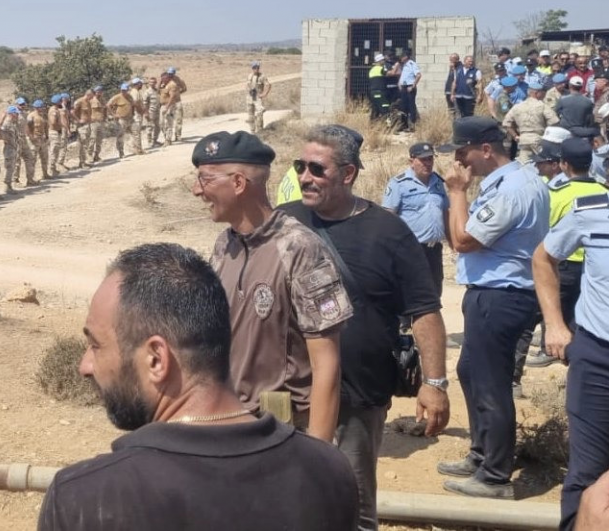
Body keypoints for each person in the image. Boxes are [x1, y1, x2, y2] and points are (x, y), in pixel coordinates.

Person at [38, 242, 359, 531]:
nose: (85, 366)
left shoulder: (84, 501)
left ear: (156, 359)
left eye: (95, 345)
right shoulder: (329, 471)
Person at [281, 125, 450, 530]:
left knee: (349, 504)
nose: (305, 176)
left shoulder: (388, 232)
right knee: (282, 498)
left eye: (317, 169)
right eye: (299, 166)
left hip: (357, 396)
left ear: (348, 174)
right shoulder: (284, 222)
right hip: (288, 392)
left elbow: (424, 311)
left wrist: (435, 383)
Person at [191, 130, 352, 442]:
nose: (196, 190)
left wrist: (317, 454)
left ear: (238, 183)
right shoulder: (225, 245)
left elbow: (326, 362)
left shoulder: (300, 248)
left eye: (205, 179)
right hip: (231, 424)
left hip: (284, 436)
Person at [437, 116, 551, 499]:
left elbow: (464, 240)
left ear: (486, 150)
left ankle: (495, 475)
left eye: (462, 152)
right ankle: (482, 453)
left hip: (500, 295)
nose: (460, 162)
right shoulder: (514, 182)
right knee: (472, 373)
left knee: (490, 384)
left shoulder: (511, 190)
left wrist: (456, 193)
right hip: (495, 293)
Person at [534, 139, 609, 530]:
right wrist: (555, 323)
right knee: (586, 474)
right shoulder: (591, 213)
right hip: (598, 360)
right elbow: (544, 257)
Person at [528, 138, 602, 369]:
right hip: (591, 265)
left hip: (563, 262)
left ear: (563, 164)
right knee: (583, 313)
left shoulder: (555, 193)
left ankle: (548, 350)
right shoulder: (602, 191)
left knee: (553, 306)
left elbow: (547, 228)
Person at [382, 142, 449, 294]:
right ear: (411, 162)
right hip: (411, 249)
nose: (428, 163)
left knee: (434, 293)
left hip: (434, 249)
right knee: (411, 295)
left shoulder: (438, 182)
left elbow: (446, 212)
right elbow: (388, 218)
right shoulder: (399, 184)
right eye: (423, 159)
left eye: (430, 159)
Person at [503, 77, 558, 163]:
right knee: (545, 163)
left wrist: (515, 136)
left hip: (523, 140)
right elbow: (554, 121)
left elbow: (506, 123)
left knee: (524, 165)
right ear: (537, 93)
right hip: (538, 139)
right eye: (542, 92)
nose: (544, 94)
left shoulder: (517, 106)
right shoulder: (542, 106)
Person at [446, 54, 481, 118]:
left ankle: (468, 127)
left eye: (472, 61)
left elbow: (480, 84)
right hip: (458, 96)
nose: (471, 63)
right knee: (458, 114)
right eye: (469, 61)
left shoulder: (476, 71)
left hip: (469, 97)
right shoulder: (459, 70)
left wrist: (479, 96)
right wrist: (452, 94)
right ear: (464, 61)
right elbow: (454, 82)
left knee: (468, 115)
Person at [106, 84, 135, 159]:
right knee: (120, 135)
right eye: (123, 90)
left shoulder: (129, 97)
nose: (124, 92)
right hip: (121, 119)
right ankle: (121, 152)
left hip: (130, 118)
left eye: (125, 90)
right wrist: (114, 114)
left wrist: (133, 113)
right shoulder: (117, 97)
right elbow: (108, 105)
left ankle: (135, 148)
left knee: (135, 133)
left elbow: (133, 105)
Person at [0, 105, 21, 194]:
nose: (17, 115)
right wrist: (7, 140)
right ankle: (6, 186)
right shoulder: (7, 123)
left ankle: (9, 186)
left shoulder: (12, 123)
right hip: (9, 148)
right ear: (11, 114)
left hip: (13, 148)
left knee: (11, 167)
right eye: (16, 113)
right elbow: (1, 134)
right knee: (8, 167)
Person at [397, 49, 422, 129]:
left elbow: (418, 75)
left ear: (406, 57)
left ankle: (412, 124)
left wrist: (413, 86)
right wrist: (399, 83)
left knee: (411, 106)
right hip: (403, 87)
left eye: (402, 56)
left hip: (410, 87)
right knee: (403, 106)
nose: (401, 58)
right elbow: (403, 76)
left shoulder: (412, 64)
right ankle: (404, 125)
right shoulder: (403, 65)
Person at [28, 99, 51, 181]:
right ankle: (31, 178)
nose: (43, 108)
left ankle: (45, 174)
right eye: (41, 107)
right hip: (35, 139)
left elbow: (46, 126)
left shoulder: (43, 115)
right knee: (33, 159)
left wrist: (47, 136)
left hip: (43, 139)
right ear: (36, 108)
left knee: (45, 157)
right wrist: (31, 137)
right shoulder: (31, 116)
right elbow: (28, 128)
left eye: (43, 107)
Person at [247, 61, 271, 133]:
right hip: (250, 97)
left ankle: (260, 131)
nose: (256, 69)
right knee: (250, 115)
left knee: (259, 114)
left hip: (258, 98)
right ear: (252, 68)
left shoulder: (262, 76)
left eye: (257, 67)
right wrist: (248, 90)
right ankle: (252, 131)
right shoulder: (250, 76)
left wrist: (264, 94)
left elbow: (268, 85)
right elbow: (247, 84)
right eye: (254, 67)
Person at [368, 54, 390, 120]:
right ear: (379, 61)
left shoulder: (372, 70)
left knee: (375, 109)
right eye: (383, 60)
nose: (384, 61)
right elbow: (390, 74)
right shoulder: (381, 69)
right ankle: (387, 126)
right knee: (385, 107)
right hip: (380, 92)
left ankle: (373, 125)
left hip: (373, 92)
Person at [144, 76, 162, 147]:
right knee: (149, 127)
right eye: (151, 82)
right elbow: (145, 103)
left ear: (156, 83)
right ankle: (149, 142)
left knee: (158, 127)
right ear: (149, 83)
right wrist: (146, 113)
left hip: (157, 111)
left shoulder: (157, 91)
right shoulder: (147, 92)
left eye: (154, 82)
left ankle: (155, 141)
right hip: (150, 112)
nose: (152, 83)